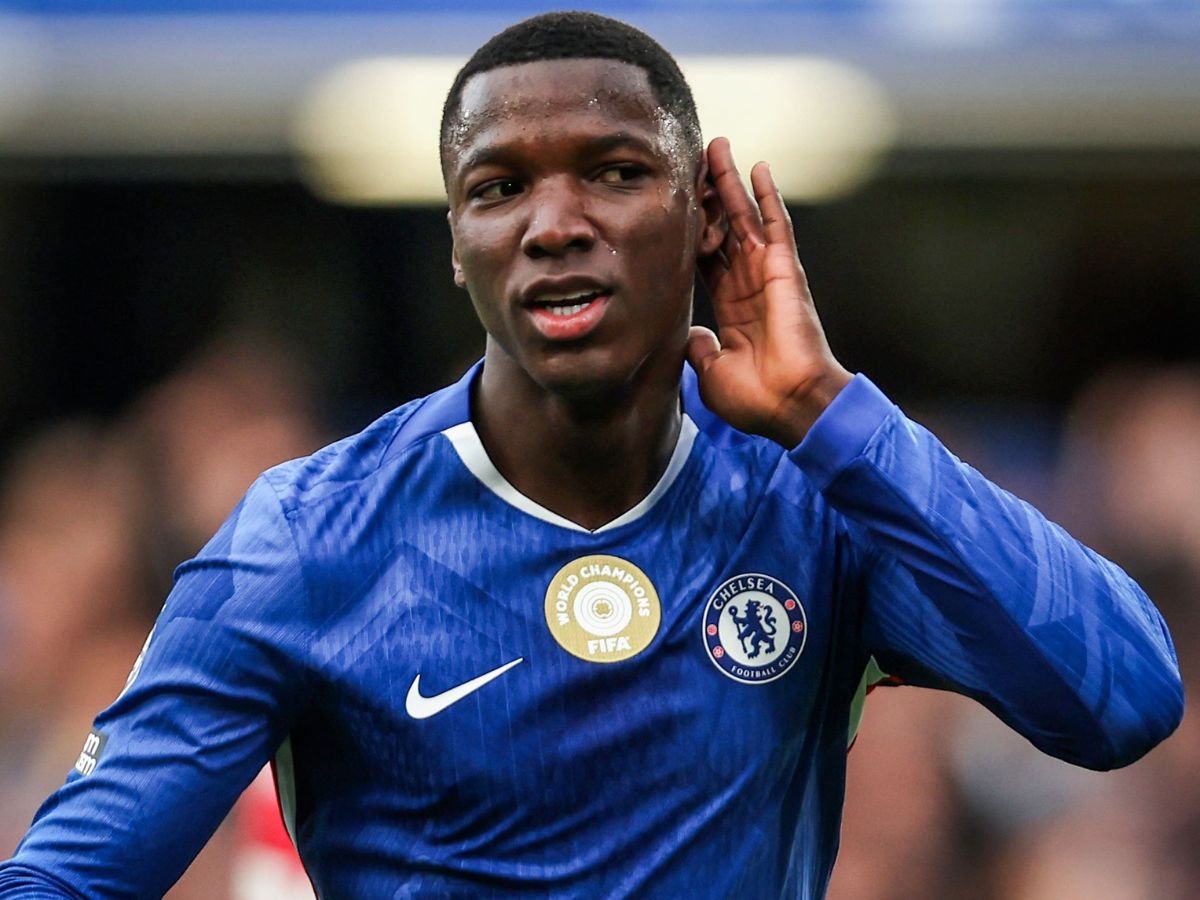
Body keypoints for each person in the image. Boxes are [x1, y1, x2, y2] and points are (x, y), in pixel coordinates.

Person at [0, 11, 1184, 899]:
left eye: (616, 172)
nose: (554, 223)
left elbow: (1123, 700)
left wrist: (827, 408)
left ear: (705, 218)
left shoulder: (816, 501)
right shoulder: (308, 538)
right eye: (500, 187)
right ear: (456, 245)